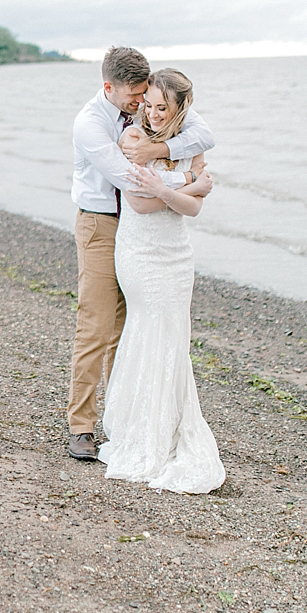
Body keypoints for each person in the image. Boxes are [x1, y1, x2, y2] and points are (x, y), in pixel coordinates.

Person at [68, 47, 214, 460]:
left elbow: (204, 134)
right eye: (134, 96)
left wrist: (161, 152)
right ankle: (81, 427)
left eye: (144, 95)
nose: (140, 103)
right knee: (96, 326)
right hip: (101, 224)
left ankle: (125, 420)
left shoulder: (145, 106)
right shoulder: (91, 125)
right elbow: (132, 181)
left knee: (128, 330)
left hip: (143, 234)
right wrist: (191, 178)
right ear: (108, 87)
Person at [97, 67, 226, 493]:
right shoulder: (132, 139)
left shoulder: (190, 145)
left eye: (160, 107)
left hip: (176, 255)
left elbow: (193, 211)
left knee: (173, 337)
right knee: (148, 329)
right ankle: (140, 429)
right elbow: (139, 200)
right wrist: (190, 184)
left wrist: (171, 187)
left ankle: (169, 429)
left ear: (179, 109)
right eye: (147, 105)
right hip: (140, 252)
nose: (150, 114)